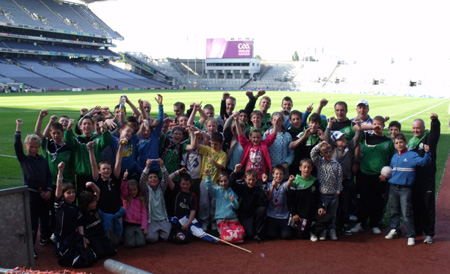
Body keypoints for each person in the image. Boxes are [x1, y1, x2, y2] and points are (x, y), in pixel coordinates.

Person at [383, 133, 431, 246]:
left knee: (406, 212)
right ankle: (394, 229)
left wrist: (428, 153)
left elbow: (424, 163)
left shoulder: (412, 155)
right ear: (394, 145)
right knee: (394, 210)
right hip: (393, 187)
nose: (399, 144)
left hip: (405, 189)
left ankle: (411, 235)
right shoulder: (394, 156)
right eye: (396, 143)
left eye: (401, 142)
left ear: (405, 143)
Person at [15, 118, 53, 258]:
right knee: (32, 222)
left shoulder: (42, 160)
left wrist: (49, 190)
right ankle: (30, 248)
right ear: (26, 147)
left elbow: (49, 176)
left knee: (45, 217)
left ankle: (45, 238)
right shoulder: (24, 159)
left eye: (36, 147)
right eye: (31, 146)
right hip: (31, 194)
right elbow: (16, 146)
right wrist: (18, 128)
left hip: (44, 194)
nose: (33, 149)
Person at [351, 116, 395, 235]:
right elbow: (355, 128)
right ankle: (361, 223)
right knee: (362, 200)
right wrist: (371, 126)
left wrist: (386, 174)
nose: (377, 126)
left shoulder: (388, 142)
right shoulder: (366, 137)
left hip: (379, 176)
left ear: (384, 126)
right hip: (364, 174)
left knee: (377, 201)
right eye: (375, 124)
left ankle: (374, 224)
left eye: (380, 124)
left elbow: (392, 159)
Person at [54, 162, 96, 268]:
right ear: (63, 195)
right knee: (65, 256)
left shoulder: (76, 209)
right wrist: (60, 171)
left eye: (73, 192)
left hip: (72, 236)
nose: (72, 194)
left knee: (85, 251)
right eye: (68, 192)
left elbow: (80, 224)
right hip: (61, 238)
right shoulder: (60, 205)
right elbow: (58, 189)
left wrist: (82, 239)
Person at [325, 116, 362, 233]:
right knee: (334, 205)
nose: (344, 140)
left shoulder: (349, 148)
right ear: (335, 142)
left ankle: (343, 224)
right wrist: (329, 125)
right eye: (341, 139)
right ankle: (333, 225)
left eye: (344, 138)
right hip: (333, 182)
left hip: (345, 181)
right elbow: (326, 139)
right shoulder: (332, 149)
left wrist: (359, 127)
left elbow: (357, 139)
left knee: (344, 204)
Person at [409, 113, 440, 244]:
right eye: (414, 128)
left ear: (424, 128)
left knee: (427, 205)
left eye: (418, 128)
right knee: (415, 204)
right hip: (414, 178)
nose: (416, 130)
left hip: (426, 178)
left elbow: (436, 133)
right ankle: (417, 229)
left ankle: (429, 233)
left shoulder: (429, 137)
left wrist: (435, 121)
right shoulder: (411, 141)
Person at [87, 140, 124, 245]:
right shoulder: (97, 180)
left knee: (117, 241)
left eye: (108, 169)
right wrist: (91, 150)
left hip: (117, 213)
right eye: (103, 169)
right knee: (108, 240)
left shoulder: (115, 178)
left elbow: (118, 161)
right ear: (99, 171)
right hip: (104, 215)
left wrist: (121, 147)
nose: (106, 171)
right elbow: (93, 164)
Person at [64, 116, 111, 195]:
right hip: (81, 176)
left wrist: (105, 129)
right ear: (80, 127)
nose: (87, 126)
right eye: (84, 124)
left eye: (89, 124)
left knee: (95, 198)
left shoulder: (97, 139)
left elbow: (106, 141)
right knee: (83, 200)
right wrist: (68, 128)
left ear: (92, 126)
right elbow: (68, 140)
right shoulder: (77, 140)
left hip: (95, 176)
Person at [287, 158, 331, 241]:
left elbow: (318, 197)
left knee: (327, 218)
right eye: (304, 167)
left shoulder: (315, 181)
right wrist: (294, 213)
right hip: (300, 214)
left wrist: (320, 207)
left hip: (313, 212)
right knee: (302, 236)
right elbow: (290, 200)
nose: (306, 169)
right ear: (300, 168)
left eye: (309, 167)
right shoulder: (295, 182)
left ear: (312, 168)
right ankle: (311, 229)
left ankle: (314, 231)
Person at [310, 141, 343, 240]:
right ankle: (322, 230)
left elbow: (339, 178)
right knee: (322, 214)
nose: (328, 154)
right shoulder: (319, 162)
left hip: (333, 195)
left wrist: (338, 190)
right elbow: (312, 153)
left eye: (329, 152)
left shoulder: (336, 164)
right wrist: (319, 145)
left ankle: (332, 230)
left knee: (333, 214)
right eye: (325, 152)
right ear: (321, 154)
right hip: (323, 194)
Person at [235, 114, 281, 181]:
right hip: (249, 176)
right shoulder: (247, 144)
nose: (256, 139)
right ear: (250, 137)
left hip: (261, 176)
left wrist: (275, 125)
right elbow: (240, 135)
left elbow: (272, 136)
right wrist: (236, 121)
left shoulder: (264, 144)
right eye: (254, 137)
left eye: (258, 137)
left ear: (261, 137)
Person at [78, 181, 117, 259]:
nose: (95, 203)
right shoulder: (82, 213)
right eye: (92, 202)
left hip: (101, 235)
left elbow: (98, 192)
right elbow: (80, 227)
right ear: (86, 204)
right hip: (92, 238)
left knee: (112, 251)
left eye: (95, 201)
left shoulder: (95, 207)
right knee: (100, 254)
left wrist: (92, 185)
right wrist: (83, 239)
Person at [197, 132, 227, 230]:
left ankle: (214, 221)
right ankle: (204, 222)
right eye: (212, 143)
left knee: (214, 203)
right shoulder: (207, 149)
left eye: (216, 144)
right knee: (204, 202)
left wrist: (214, 162)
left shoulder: (223, 154)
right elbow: (196, 145)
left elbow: (221, 166)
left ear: (221, 144)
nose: (213, 146)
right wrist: (197, 134)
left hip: (215, 182)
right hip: (205, 180)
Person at [230, 164, 267, 242]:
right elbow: (232, 183)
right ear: (245, 179)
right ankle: (251, 230)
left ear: (256, 180)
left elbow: (264, 200)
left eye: (253, 179)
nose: (251, 182)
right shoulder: (242, 187)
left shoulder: (258, 189)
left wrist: (264, 183)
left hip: (255, 213)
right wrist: (235, 171)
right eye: (249, 179)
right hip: (245, 215)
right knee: (249, 235)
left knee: (262, 209)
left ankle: (259, 233)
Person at [139, 159, 171, 243]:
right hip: (151, 221)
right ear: (147, 181)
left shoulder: (161, 189)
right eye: (150, 177)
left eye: (155, 177)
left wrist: (162, 166)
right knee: (151, 239)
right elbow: (141, 181)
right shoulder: (146, 191)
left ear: (158, 180)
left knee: (165, 237)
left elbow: (166, 179)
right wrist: (147, 167)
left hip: (163, 219)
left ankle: (160, 233)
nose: (153, 179)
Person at [263, 166, 295, 239]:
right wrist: (273, 187)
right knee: (271, 235)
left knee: (287, 236)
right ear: (273, 175)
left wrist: (290, 180)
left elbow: (288, 184)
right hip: (271, 215)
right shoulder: (269, 185)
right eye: (277, 174)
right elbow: (268, 197)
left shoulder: (284, 184)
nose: (279, 176)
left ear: (284, 175)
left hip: (284, 216)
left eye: (281, 174)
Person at [168, 168, 198, 243]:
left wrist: (187, 224)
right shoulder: (176, 191)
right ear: (179, 184)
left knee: (187, 238)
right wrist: (178, 171)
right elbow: (168, 179)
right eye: (183, 184)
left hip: (187, 222)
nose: (185, 186)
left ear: (190, 184)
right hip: (176, 221)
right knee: (177, 238)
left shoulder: (192, 196)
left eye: (187, 184)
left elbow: (193, 211)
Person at [205, 169, 239, 235]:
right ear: (219, 182)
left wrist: (233, 202)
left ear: (228, 181)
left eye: (225, 181)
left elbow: (236, 206)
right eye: (221, 181)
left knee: (236, 235)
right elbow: (209, 188)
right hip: (221, 218)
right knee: (226, 237)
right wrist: (208, 177)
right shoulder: (217, 190)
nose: (223, 183)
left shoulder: (232, 191)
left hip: (232, 218)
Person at [120, 171, 148, 248]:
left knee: (141, 243)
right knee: (130, 245)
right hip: (129, 224)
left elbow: (144, 214)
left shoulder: (141, 199)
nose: (132, 192)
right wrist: (124, 179)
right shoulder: (126, 198)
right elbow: (123, 190)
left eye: (134, 190)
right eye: (130, 190)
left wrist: (144, 227)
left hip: (139, 225)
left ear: (138, 189)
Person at [264, 112, 294, 178]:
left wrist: (286, 163)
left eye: (279, 120)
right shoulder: (267, 134)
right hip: (270, 167)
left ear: (283, 121)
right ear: (271, 121)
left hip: (283, 167)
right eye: (275, 120)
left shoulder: (287, 135)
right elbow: (264, 150)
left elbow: (291, 153)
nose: (277, 122)